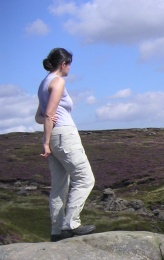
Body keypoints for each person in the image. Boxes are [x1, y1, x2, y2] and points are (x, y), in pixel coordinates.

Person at [36, 48, 95, 242]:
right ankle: (71, 224)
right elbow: (48, 114)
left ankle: (56, 231)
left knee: (59, 185)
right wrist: (46, 142)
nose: (70, 68)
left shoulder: (43, 84)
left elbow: (39, 116)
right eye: (69, 64)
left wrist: (47, 140)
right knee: (85, 178)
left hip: (54, 136)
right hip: (64, 134)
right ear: (63, 64)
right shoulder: (58, 81)